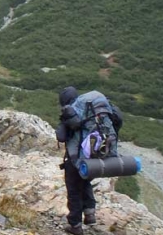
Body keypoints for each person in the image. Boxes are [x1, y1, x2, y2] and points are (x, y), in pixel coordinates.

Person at [56, 87, 96, 235]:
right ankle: (90, 213)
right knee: (85, 182)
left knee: (73, 190)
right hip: (92, 155)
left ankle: (75, 225)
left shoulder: (70, 113)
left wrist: (62, 121)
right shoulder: (89, 110)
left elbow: (61, 137)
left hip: (74, 158)